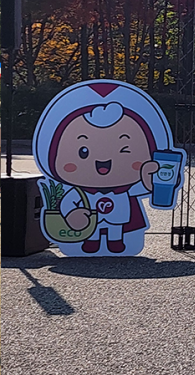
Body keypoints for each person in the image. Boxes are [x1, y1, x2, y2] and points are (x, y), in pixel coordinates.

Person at [33, 81, 176, 256]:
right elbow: (68, 202)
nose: (103, 160)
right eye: (83, 151)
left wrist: (149, 176)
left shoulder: (125, 188)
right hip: (90, 218)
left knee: (116, 226)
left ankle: (115, 240)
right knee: (93, 228)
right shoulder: (79, 191)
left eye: (124, 149)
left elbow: (145, 188)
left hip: (119, 214)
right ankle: (91, 240)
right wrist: (72, 214)